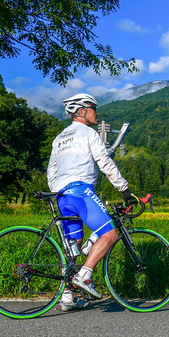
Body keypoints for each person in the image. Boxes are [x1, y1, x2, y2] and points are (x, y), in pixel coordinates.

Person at [47, 93, 138, 311]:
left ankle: (66, 297)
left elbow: (51, 170)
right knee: (110, 234)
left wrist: (56, 191)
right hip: (80, 191)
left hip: (61, 194)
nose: (97, 113)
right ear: (81, 112)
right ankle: (85, 276)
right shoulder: (89, 133)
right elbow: (104, 161)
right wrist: (124, 188)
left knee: (72, 247)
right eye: (93, 109)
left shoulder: (59, 138)